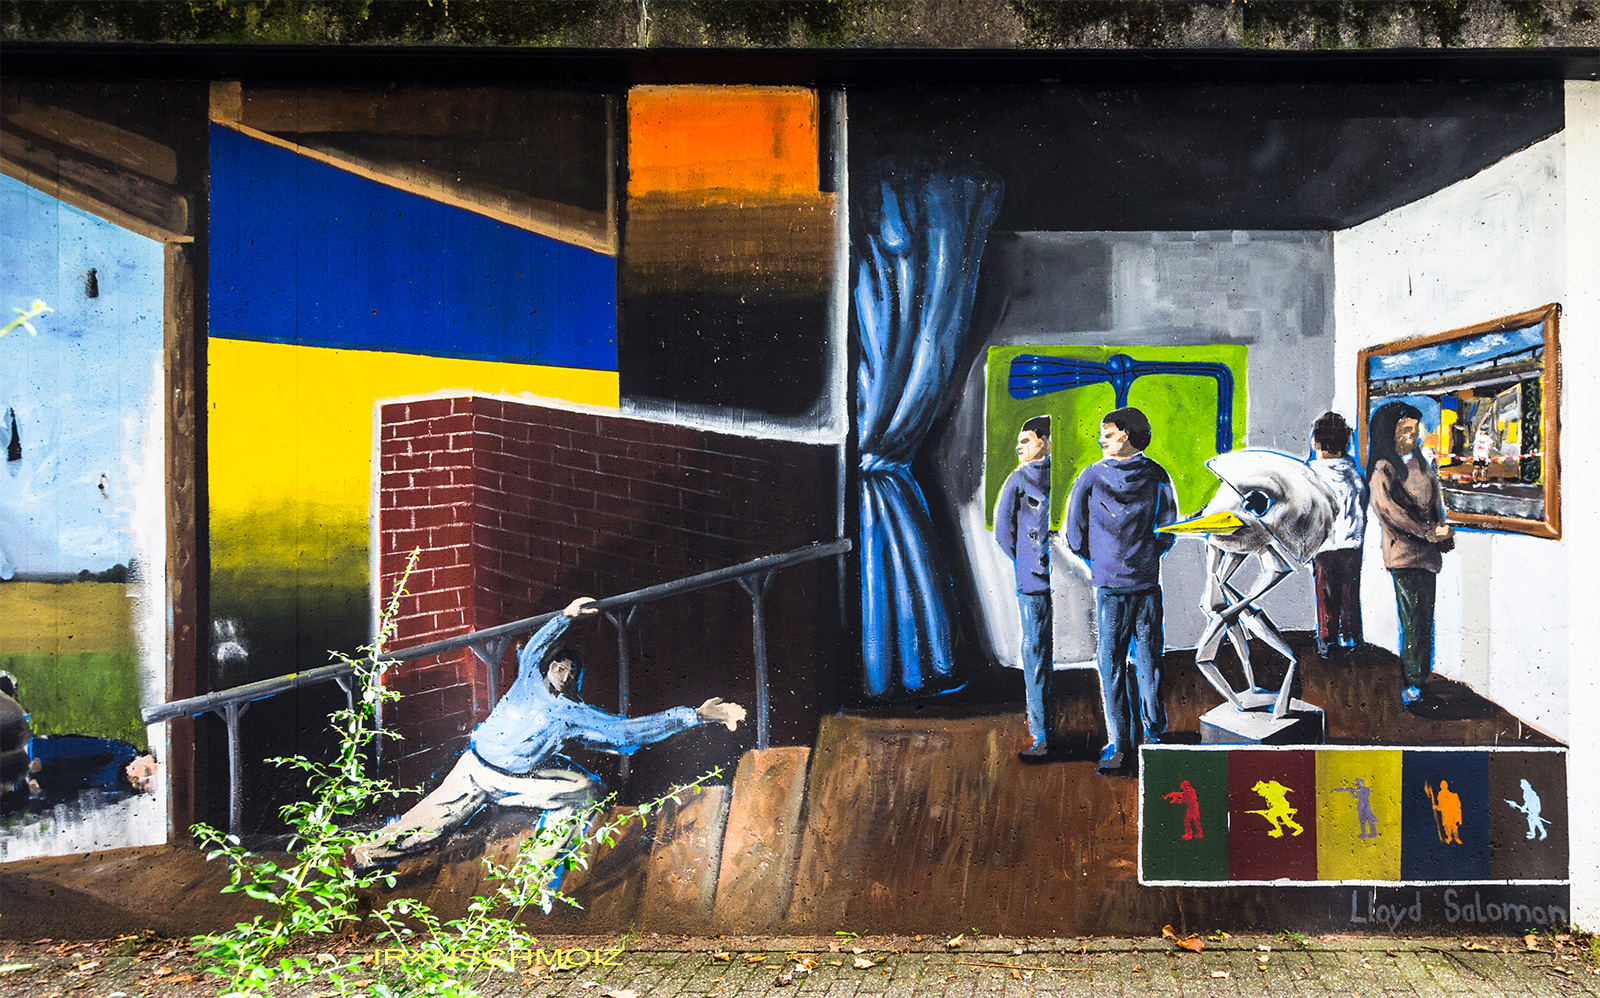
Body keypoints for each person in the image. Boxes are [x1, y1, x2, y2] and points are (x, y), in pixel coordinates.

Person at [354, 596, 747, 871]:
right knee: (429, 825)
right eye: (560, 667)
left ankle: (535, 873)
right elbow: (534, 647)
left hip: (516, 781)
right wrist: (565, 617)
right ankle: (366, 855)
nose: (564, 675)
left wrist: (694, 715)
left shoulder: (571, 714)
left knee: (584, 790)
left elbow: (625, 732)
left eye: (571, 673)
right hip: (474, 768)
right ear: (548, 667)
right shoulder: (527, 678)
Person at [1066, 407, 1178, 776]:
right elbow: (1168, 528)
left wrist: (1101, 562)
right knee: (1149, 659)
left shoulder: (1090, 477)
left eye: (1109, 434)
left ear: (1127, 435)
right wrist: (1146, 555)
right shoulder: (1157, 474)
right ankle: (1155, 735)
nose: (1102, 439)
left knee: (1111, 664)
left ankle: (1120, 746)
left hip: (1110, 585)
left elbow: (1073, 535)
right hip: (1146, 581)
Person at [1365, 401, 1454, 707]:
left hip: (1428, 556)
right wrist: (1428, 532)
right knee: (1413, 622)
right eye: (1406, 430)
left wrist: (1442, 529)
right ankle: (1413, 684)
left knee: (1424, 620)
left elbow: (1436, 503)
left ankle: (1419, 680)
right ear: (1389, 433)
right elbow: (1390, 512)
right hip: (1403, 556)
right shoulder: (1383, 469)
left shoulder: (1422, 464)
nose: (1413, 436)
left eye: (1416, 430)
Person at [993, 415, 1054, 761]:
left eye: (1027, 440)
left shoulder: (1064, 477)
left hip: (1066, 579)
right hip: (1032, 581)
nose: (1019, 446)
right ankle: (1042, 735)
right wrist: (1029, 560)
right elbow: (1004, 534)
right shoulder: (1018, 481)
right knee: (1035, 653)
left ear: (1046, 441)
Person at [1308, 412, 1369, 658]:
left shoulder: (1312, 476)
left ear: (1316, 443)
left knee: (1326, 597)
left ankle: (1328, 641)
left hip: (1324, 546)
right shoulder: (1354, 475)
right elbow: (1361, 506)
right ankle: (1351, 637)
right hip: (1352, 544)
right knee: (1349, 594)